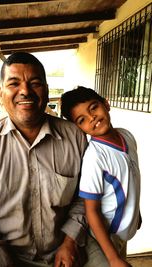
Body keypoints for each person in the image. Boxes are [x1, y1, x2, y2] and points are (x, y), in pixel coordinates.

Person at [0, 53, 110, 267]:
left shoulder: (74, 137)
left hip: (62, 243)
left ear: (45, 90)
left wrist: (70, 241)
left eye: (34, 83)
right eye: (14, 83)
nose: (25, 91)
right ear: (0, 92)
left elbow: (84, 196)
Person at [61, 86, 141, 267]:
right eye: (82, 119)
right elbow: (91, 211)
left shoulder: (127, 136)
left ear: (106, 104)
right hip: (107, 237)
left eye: (93, 108)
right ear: (79, 128)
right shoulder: (95, 158)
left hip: (125, 230)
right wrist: (113, 259)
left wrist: (137, 213)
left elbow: (131, 178)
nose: (92, 118)